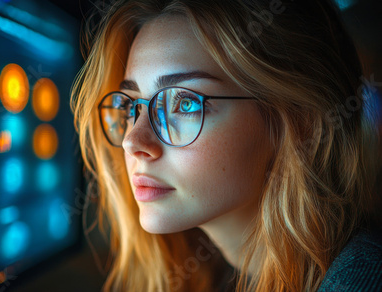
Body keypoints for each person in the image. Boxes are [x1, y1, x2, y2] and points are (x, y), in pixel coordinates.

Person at [71, 0, 382, 291]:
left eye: (186, 104)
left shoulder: (362, 276)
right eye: (131, 108)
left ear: (300, 122)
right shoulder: (203, 271)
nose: (132, 141)